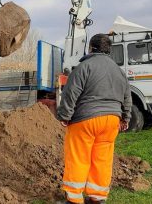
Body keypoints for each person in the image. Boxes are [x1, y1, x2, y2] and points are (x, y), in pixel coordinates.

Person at [57, 34, 132, 204]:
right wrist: (125, 118)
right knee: (102, 160)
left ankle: (74, 199)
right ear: (108, 50)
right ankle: (97, 198)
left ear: (91, 48)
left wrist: (65, 115)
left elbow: (71, 93)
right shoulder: (119, 71)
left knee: (79, 157)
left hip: (85, 119)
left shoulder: (84, 67)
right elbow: (127, 97)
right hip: (112, 120)